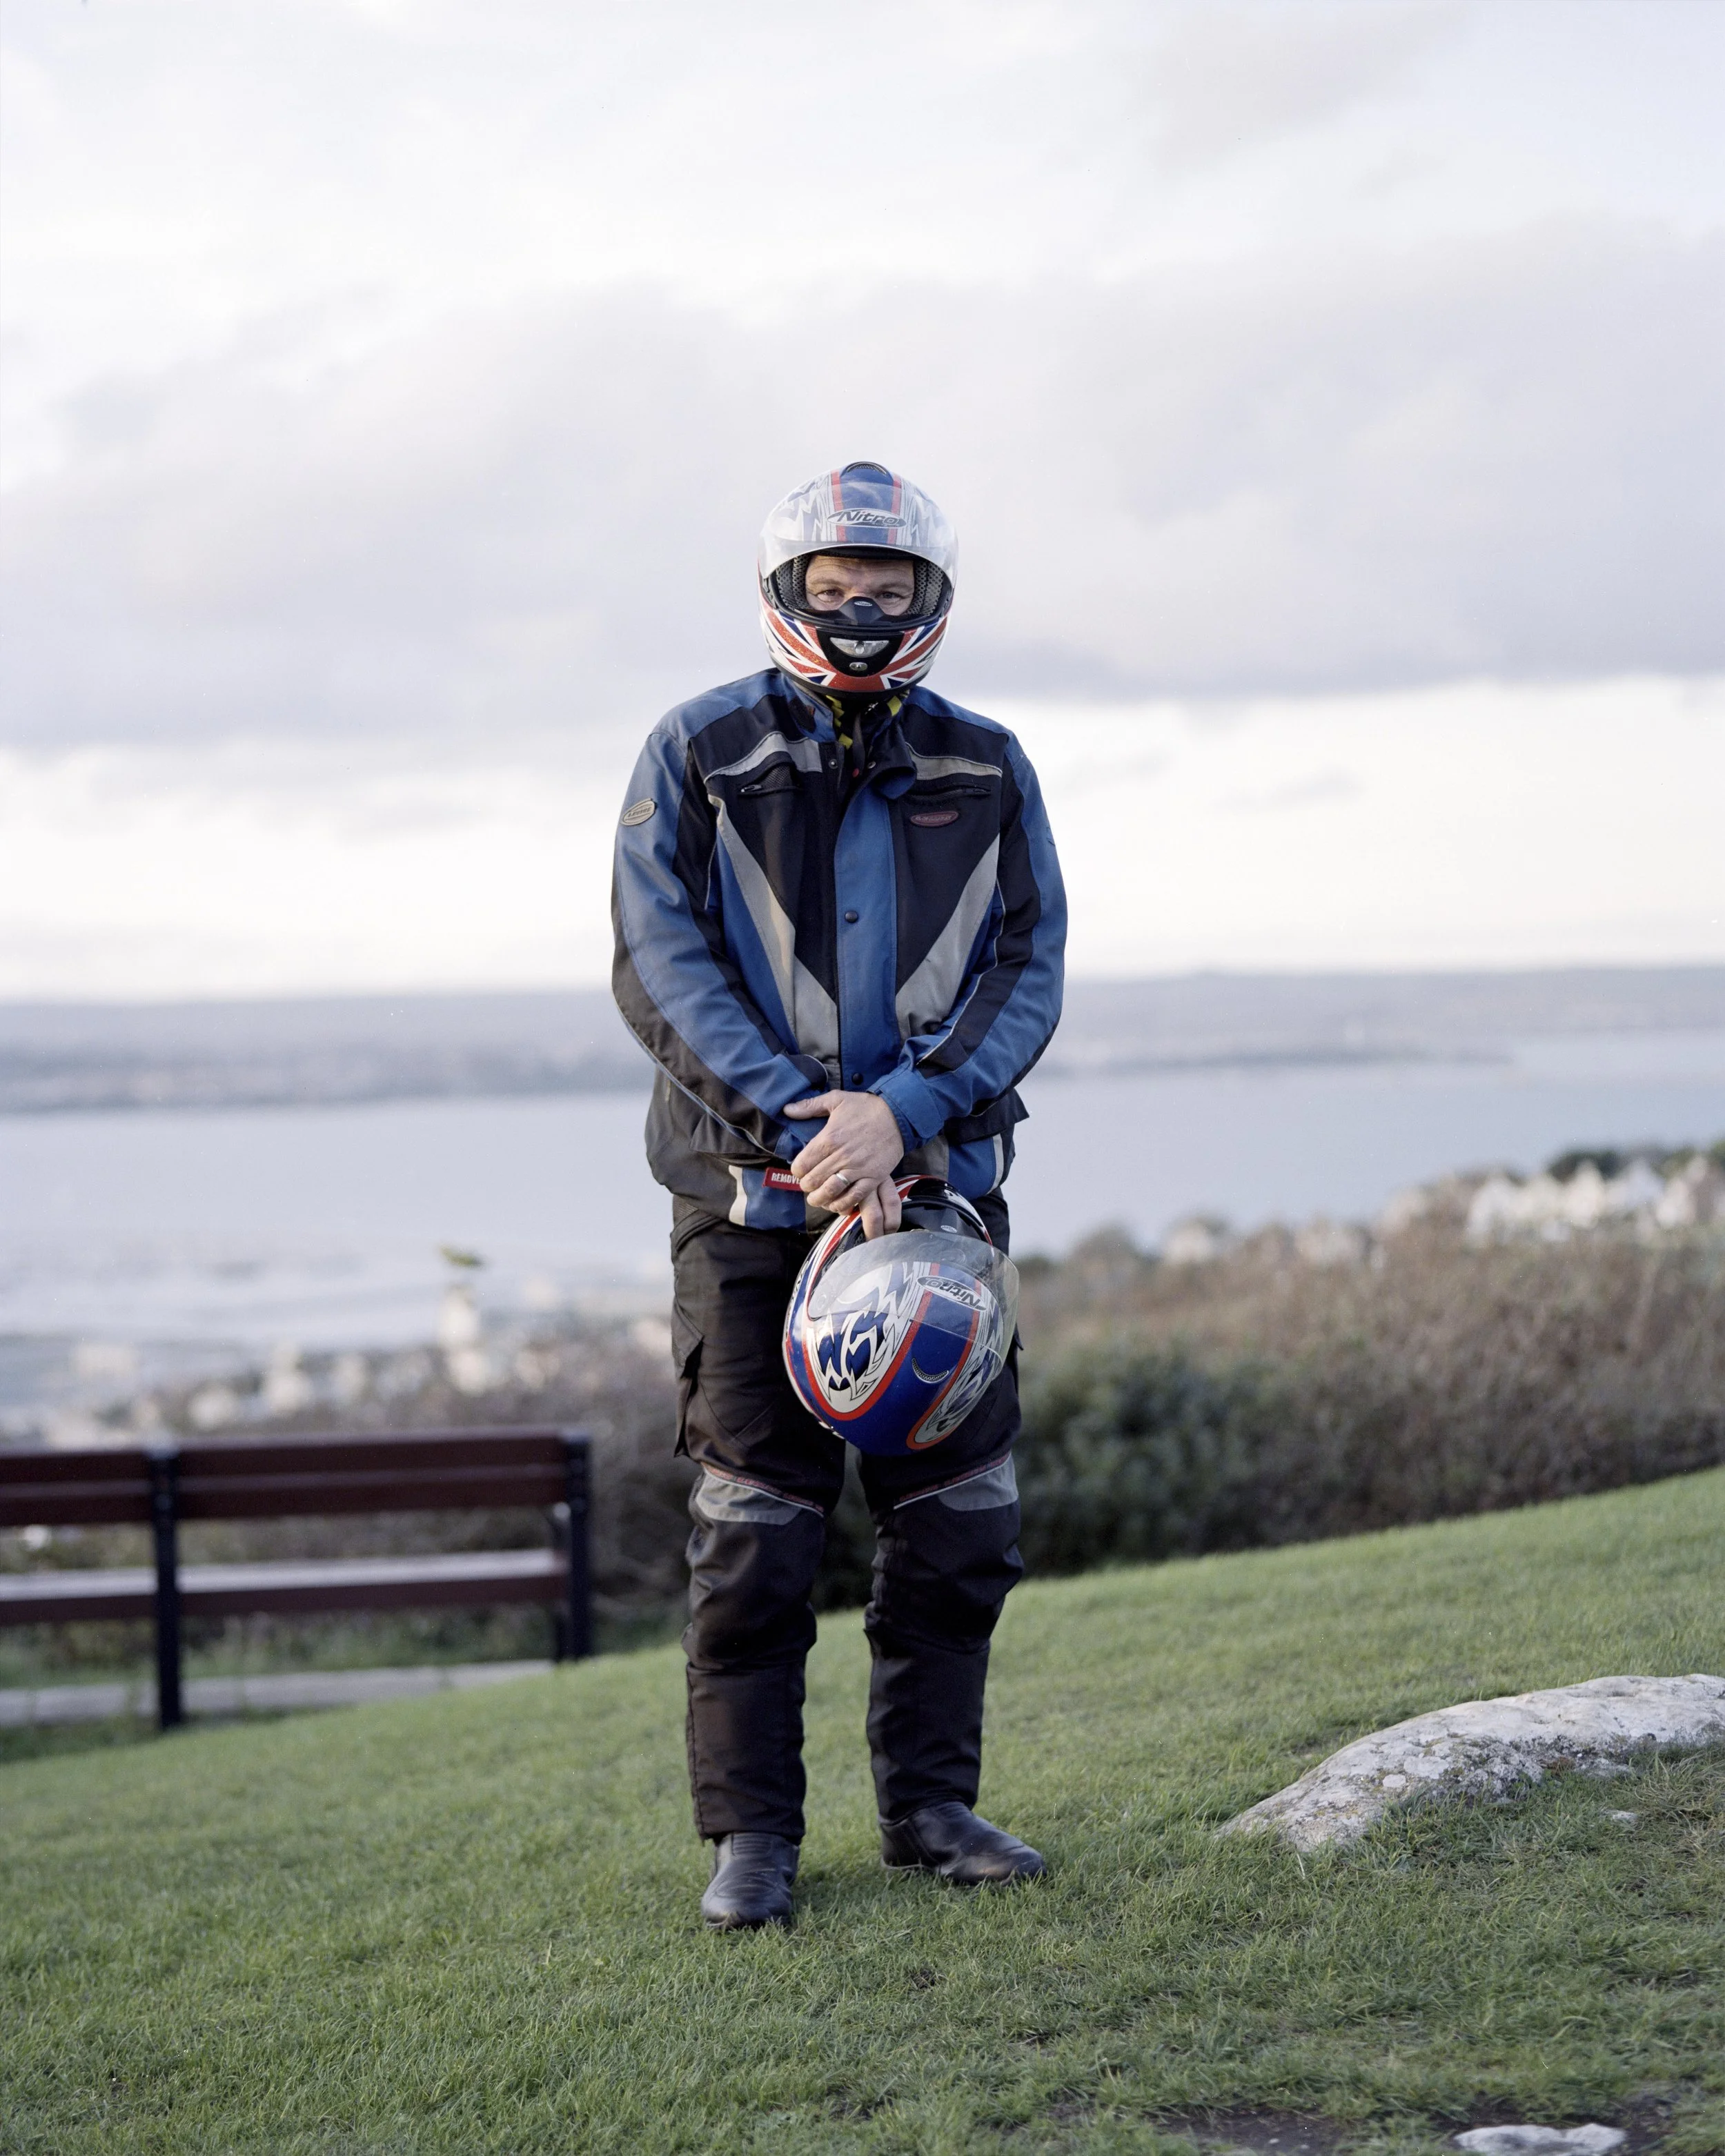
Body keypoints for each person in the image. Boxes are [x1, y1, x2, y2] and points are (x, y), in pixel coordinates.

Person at [611, 462, 1066, 1928]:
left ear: (928, 602)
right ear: (787, 591)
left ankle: (930, 1809)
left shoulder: (987, 765)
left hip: (935, 1203)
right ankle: (752, 1839)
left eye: (890, 589)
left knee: (959, 1520)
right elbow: (658, 965)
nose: (863, 610)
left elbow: (1028, 961)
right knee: (755, 1534)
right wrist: (816, 1130)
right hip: (750, 1208)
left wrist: (907, 1116)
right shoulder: (695, 751)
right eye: (836, 587)